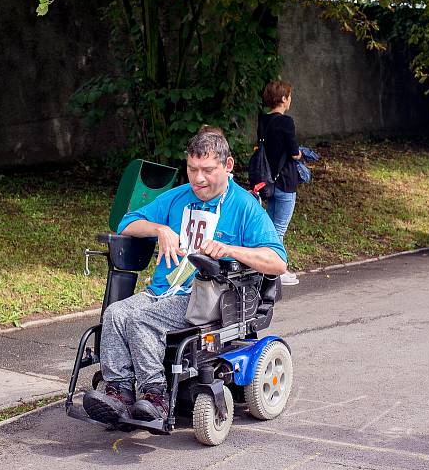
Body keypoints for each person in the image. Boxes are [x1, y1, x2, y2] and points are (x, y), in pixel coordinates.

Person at [83, 132, 288, 424]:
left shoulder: (244, 207)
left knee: (142, 320)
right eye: (193, 169)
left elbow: (278, 262)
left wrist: (230, 249)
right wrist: (160, 230)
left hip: (207, 298)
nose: (199, 179)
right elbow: (126, 222)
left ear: (227, 165)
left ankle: (155, 396)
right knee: (116, 314)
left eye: (207, 170)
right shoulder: (178, 197)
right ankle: (119, 393)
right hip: (164, 290)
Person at [258, 80, 303, 286]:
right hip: (285, 181)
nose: (290, 99)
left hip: (267, 181)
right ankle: (276, 270)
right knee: (279, 229)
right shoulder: (287, 122)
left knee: (270, 227)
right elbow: (294, 153)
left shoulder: (263, 120)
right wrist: (300, 153)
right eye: (289, 96)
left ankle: (266, 267)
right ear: (284, 99)